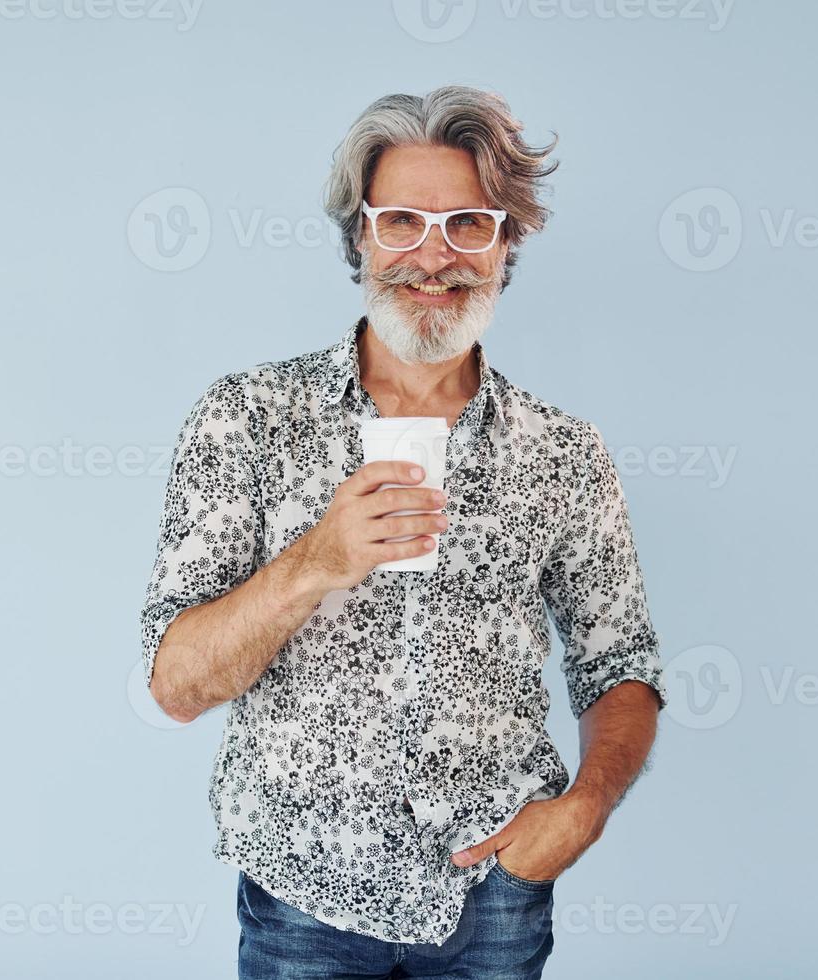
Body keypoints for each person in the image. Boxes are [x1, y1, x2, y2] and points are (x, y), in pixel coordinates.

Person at [138, 85, 667, 979]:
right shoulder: (247, 418)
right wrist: (315, 560)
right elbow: (179, 687)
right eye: (401, 222)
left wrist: (583, 810)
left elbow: (621, 662)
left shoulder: (566, 451)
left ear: (505, 246)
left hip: (494, 896)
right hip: (303, 890)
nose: (434, 254)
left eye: (468, 223)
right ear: (359, 238)